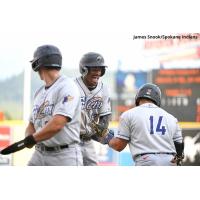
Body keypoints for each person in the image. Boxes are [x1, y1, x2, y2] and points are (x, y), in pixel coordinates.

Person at [24, 44, 83, 166]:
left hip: (64, 155)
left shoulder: (67, 86)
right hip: (39, 153)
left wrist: (32, 139)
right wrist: (28, 136)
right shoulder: (39, 92)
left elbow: (57, 124)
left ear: (38, 63)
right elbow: (31, 123)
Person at [105, 83, 184, 166]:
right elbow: (179, 144)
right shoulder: (171, 118)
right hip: (170, 161)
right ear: (157, 99)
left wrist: (106, 137)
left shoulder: (129, 114)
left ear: (138, 97)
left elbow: (118, 146)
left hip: (146, 160)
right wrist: (178, 159)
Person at [74, 52, 112, 166]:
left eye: (100, 69)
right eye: (94, 69)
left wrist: (103, 127)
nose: (98, 73)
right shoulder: (71, 86)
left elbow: (105, 115)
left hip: (87, 140)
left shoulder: (104, 88)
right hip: (71, 139)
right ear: (84, 70)